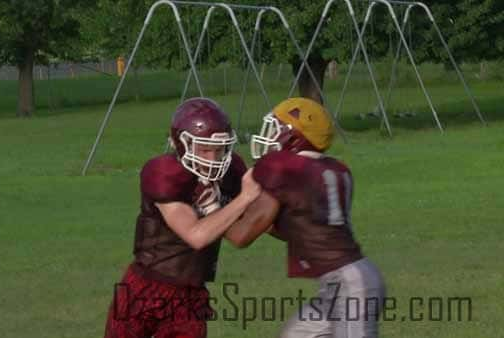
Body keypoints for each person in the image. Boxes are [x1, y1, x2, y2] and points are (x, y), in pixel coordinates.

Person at [225, 97, 386, 338]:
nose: (269, 136)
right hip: (348, 281)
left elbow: (240, 236)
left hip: (349, 285)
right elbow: (296, 229)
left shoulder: (287, 168)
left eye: (276, 129)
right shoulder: (333, 169)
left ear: (294, 137)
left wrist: (213, 209)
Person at [104, 98, 261, 338]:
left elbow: (242, 234)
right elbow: (196, 236)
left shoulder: (231, 172)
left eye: (219, 150)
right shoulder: (165, 172)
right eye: (205, 149)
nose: (213, 158)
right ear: (182, 144)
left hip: (190, 296)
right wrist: (243, 199)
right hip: (145, 289)